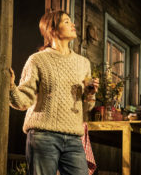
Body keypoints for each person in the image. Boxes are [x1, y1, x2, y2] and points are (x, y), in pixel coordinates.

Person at [9, 10, 99, 175]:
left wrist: (90, 94)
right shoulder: (37, 60)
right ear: (52, 30)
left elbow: (86, 108)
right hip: (43, 136)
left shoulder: (83, 63)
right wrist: (10, 88)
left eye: (71, 21)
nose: (73, 24)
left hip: (73, 138)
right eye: (66, 21)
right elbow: (24, 101)